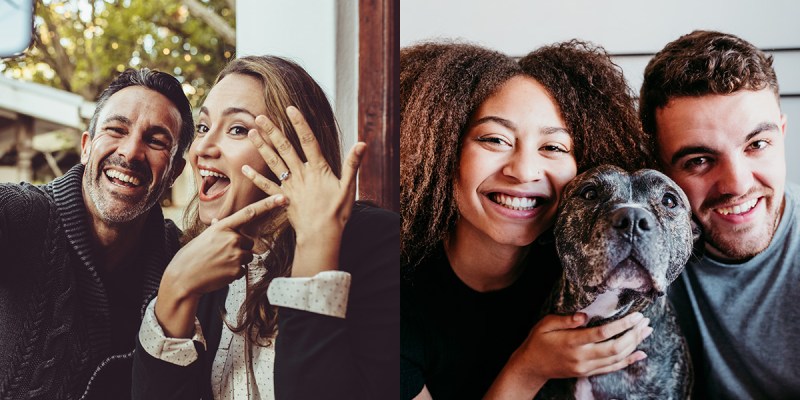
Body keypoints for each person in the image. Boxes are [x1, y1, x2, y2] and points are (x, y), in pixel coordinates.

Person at [131, 55, 399, 399]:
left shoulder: (376, 239)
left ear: (293, 151)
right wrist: (176, 288)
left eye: (237, 129)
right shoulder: (198, 258)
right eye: (203, 127)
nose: (202, 149)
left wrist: (316, 242)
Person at [400, 40, 654, 399]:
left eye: (553, 147)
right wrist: (530, 368)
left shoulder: (587, 273)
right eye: (495, 140)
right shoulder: (389, 296)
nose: (524, 171)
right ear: (442, 149)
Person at [0, 68, 194, 399]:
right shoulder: (20, 213)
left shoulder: (180, 258)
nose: (131, 152)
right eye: (116, 130)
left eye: (156, 141)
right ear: (87, 147)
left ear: (174, 171)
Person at [640, 30, 800, 398]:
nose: (736, 184)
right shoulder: (638, 254)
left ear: (782, 134)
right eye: (699, 160)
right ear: (659, 168)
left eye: (757, 144)